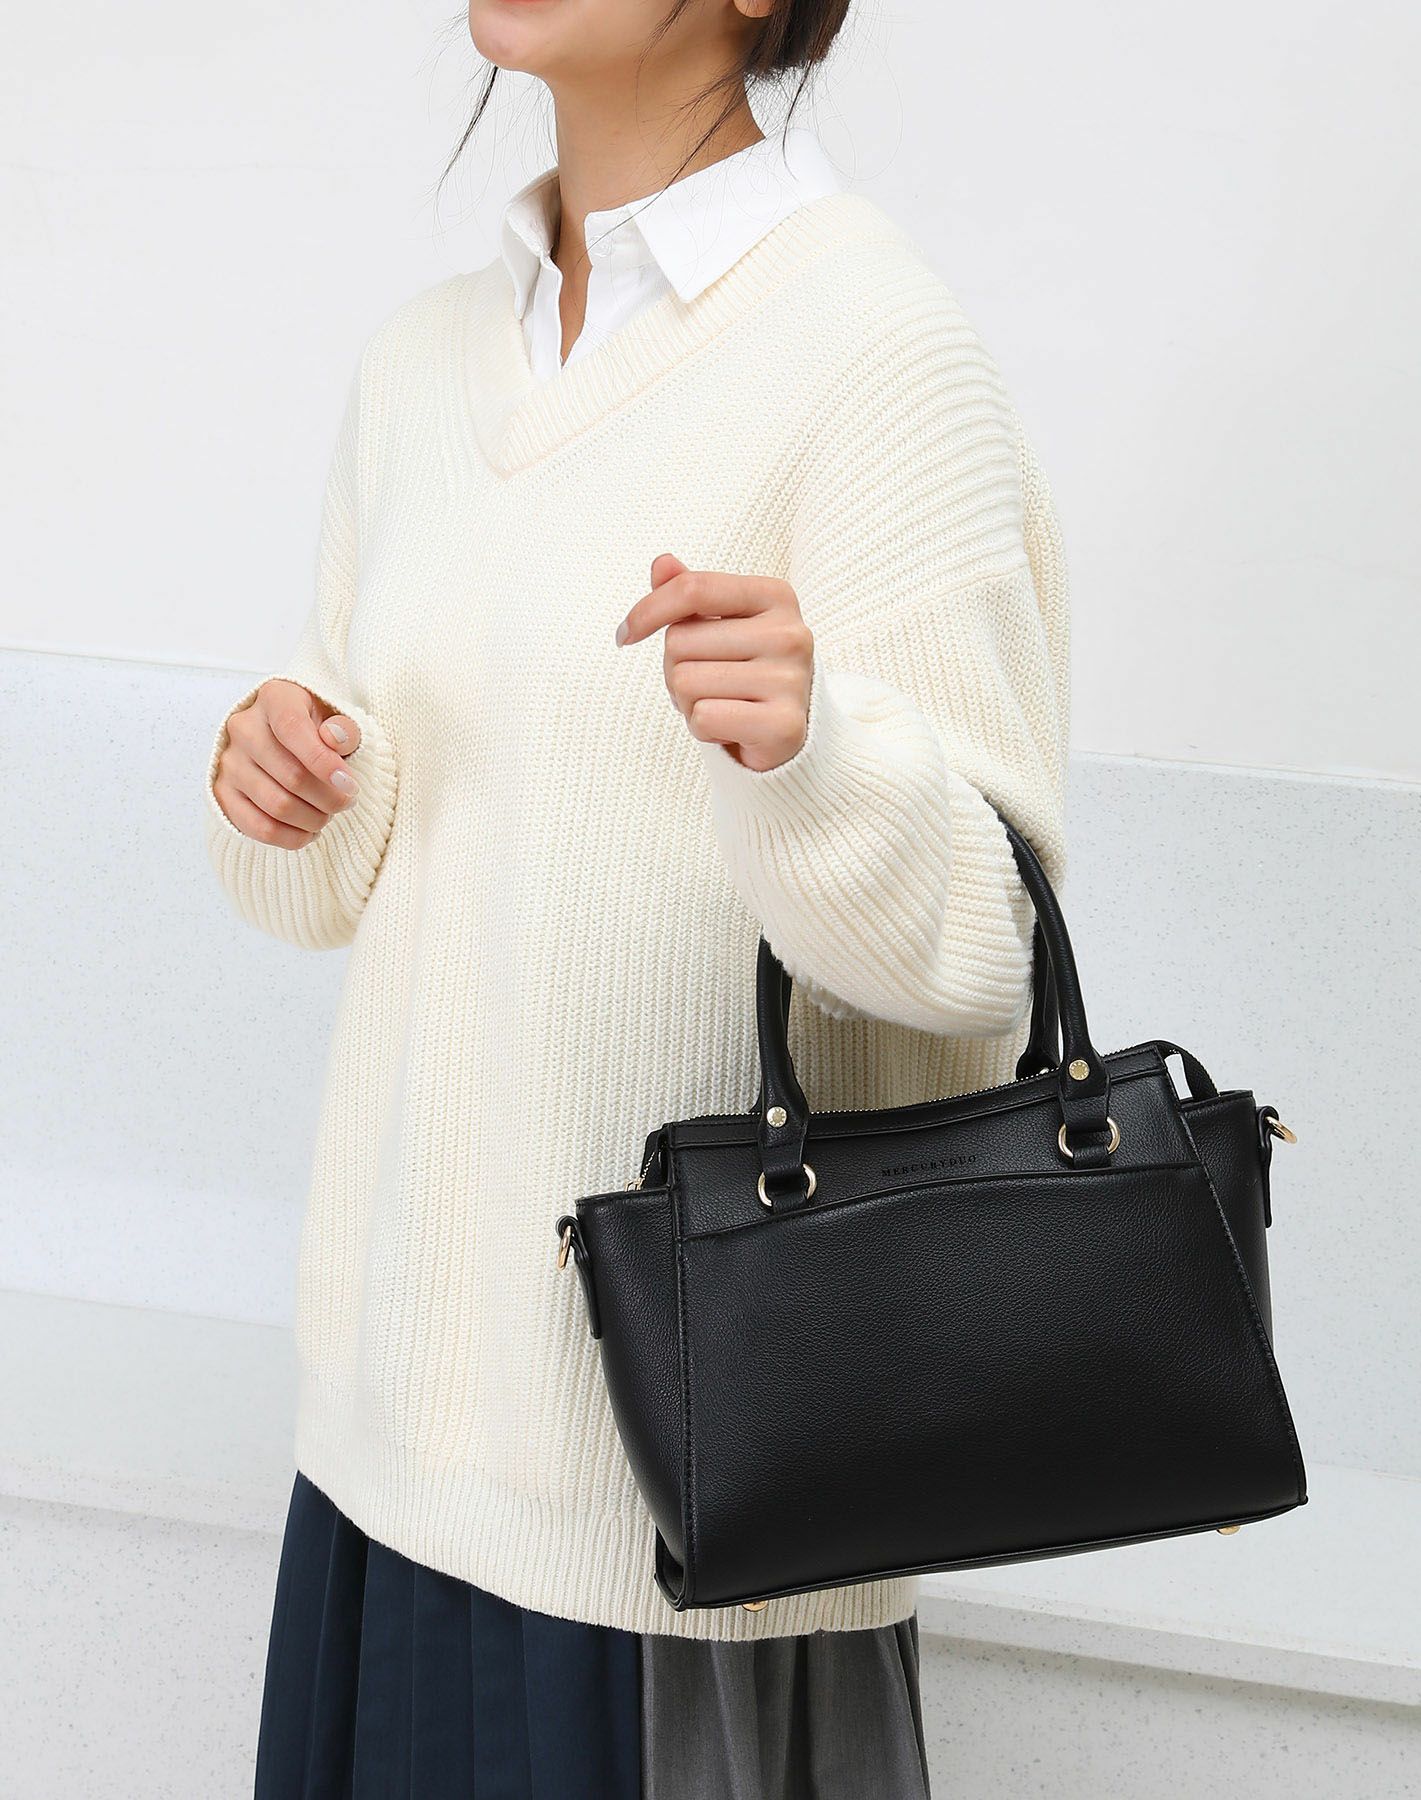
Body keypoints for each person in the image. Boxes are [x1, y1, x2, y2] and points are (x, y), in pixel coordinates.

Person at [204, 1, 1071, 1793]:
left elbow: (985, 950)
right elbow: (345, 874)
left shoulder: (877, 346)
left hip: (679, 1513)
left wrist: (810, 752)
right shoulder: (422, 362)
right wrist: (284, 783)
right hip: (388, 1465)